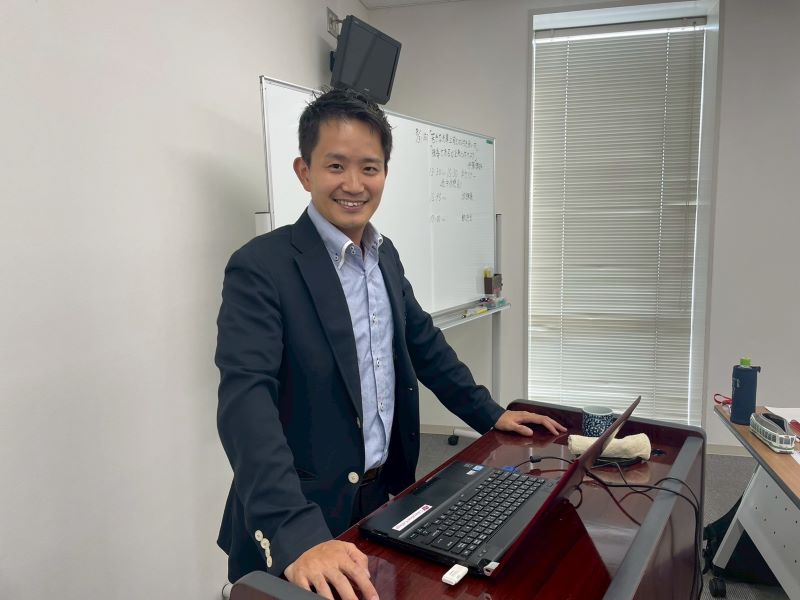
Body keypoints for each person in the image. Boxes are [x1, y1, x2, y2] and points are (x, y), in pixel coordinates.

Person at [215, 87, 566, 600]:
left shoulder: (385, 255)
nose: (354, 184)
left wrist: (489, 413)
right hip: (304, 514)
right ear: (304, 172)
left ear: (384, 173)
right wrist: (296, 532)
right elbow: (246, 406)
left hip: (385, 498)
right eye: (336, 166)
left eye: (369, 168)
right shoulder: (261, 266)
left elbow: (425, 345)